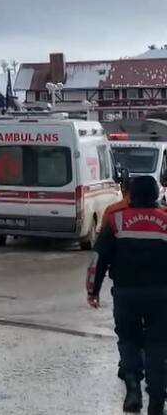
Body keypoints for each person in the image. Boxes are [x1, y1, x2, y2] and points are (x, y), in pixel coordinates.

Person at [88, 175, 167, 415]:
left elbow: (97, 258)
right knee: (158, 346)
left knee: (129, 340)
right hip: (161, 296)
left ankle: (132, 387)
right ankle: (156, 401)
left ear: (130, 194)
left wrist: (93, 289)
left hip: (126, 294)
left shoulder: (116, 218)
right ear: (156, 195)